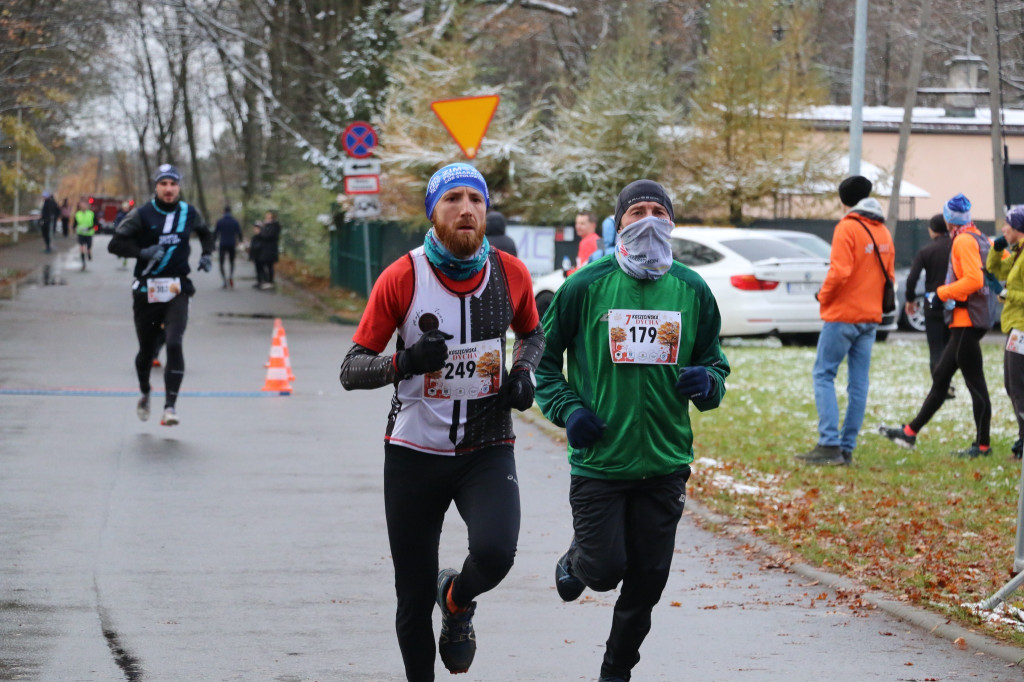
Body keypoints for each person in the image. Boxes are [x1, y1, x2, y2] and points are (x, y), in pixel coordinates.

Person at [338, 162, 544, 681]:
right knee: (411, 595)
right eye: (452, 199)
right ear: (433, 213)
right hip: (414, 452)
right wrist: (403, 362)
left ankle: (456, 600)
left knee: (496, 554)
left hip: (487, 445)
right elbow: (350, 369)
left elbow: (533, 335)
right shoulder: (402, 276)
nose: (467, 209)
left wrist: (524, 373)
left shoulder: (511, 274)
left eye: (476, 199)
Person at [535, 179, 729, 682]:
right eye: (635, 211)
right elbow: (543, 363)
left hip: (665, 462)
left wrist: (706, 381)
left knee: (648, 579)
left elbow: (716, 362)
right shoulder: (584, 285)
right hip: (601, 459)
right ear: (617, 222)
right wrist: (568, 409)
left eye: (657, 211)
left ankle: (616, 669)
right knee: (603, 571)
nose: (647, 219)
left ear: (671, 222)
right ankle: (579, 560)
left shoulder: (692, 288)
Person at [880, 193, 993, 457]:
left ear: (949, 219)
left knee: (976, 384)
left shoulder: (964, 240)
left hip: (967, 321)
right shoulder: (979, 237)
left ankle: (983, 445)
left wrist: (942, 292)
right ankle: (910, 432)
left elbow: (974, 280)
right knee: (941, 377)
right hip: (966, 321)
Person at [796, 175, 895, 466]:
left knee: (824, 374)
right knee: (859, 383)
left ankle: (829, 444)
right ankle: (847, 448)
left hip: (842, 315)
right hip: (870, 317)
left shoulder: (847, 227)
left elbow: (839, 272)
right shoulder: (884, 232)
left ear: (844, 200)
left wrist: (822, 297)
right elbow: (889, 277)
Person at [107, 164, 214, 427]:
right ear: (156, 186)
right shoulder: (142, 214)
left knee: (174, 342)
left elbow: (205, 232)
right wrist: (142, 252)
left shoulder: (189, 212)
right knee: (146, 351)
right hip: (147, 290)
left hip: (178, 288)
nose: (168, 189)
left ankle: (170, 407)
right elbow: (115, 244)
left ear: (179, 187)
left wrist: (207, 254)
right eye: (163, 184)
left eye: (173, 184)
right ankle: (145, 390)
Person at [986, 206, 1024, 459]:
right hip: (1014, 327)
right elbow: (995, 270)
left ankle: (1023, 442)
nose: (1003, 229)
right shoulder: (1018, 252)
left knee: (1017, 386)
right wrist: (997, 247)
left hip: (1022, 329)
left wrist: (1007, 294)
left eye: (1007, 225)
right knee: (1012, 386)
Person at [904, 214, 954, 386]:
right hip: (954, 301)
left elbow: (912, 279)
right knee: (950, 346)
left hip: (933, 302)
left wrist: (910, 299)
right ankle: (947, 380)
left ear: (933, 230)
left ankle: (941, 385)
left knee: (936, 348)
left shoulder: (926, 251)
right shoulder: (957, 247)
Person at [214, 205, 244, 288]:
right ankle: (230, 276)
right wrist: (241, 241)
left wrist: (213, 243)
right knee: (232, 262)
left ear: (224, 212)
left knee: (221, 263)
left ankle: (224, 280)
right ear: (230, 212)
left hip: (223, 244)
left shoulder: (220, 221)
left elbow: (215, 233)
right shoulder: (235, 222)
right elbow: (239, 233)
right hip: (232, 244)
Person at [250, 210, 280, 290]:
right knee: (263, 266)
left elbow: (267, 236)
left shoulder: (274, 226)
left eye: (268, 216)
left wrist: (261, 230)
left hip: (270, 250)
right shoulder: (266, 226)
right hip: (264, 250)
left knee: (269, 266)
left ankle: (270, 281)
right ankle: (264, 281)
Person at [72, 199, 97, 270]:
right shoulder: (77, 214)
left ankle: (89, 253)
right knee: (82, 248)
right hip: (81, 233)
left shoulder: (91, 214)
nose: (83, 207)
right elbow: (75, 223)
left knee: (88, 248)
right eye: (81, 206)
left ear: (87, 206)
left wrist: (91, 228)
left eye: (84, 206)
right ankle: (83, 263)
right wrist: (73, 228)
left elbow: (96, 223)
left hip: (89, 233)